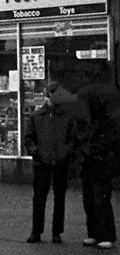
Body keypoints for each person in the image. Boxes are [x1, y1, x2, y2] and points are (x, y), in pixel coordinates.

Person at [22, 81, 82, 244]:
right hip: (43, 162)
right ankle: (37, 231)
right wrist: (36, 153)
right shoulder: (36, 117)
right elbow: (29, 138)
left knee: (59, 197)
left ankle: (56, 231)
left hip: (60, 162)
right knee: (39, 197)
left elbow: (72, 139)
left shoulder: (66, 117)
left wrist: (66, 153)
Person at [76, 83, 120, 249]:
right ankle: (93, 233)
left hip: (100, 162)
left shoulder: (105, 120)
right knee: (89, 199)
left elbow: (110, 140)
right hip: (89, 162)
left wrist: (91, 149)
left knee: (100, 199)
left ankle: (106, 234)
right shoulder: (86, 120)